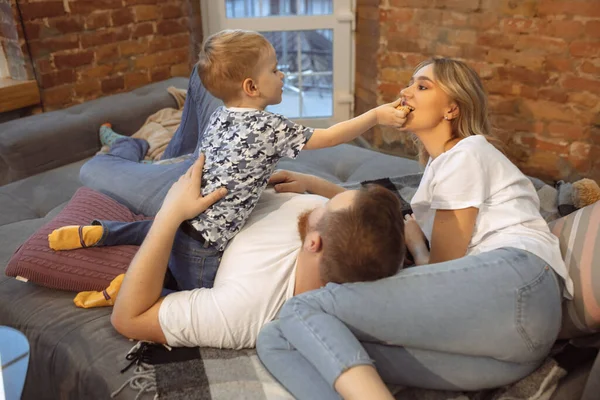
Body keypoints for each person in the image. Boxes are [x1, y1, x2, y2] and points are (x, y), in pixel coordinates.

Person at [255, 57, 574, 400]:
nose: (406, 93)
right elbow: (381, 214)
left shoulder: (467, 153)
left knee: (302, 308)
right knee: (279, 337)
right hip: (507, 347)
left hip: (516, 283)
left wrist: (419, 248)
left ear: (452, 109)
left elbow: (445, 268)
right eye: (409, 84)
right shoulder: (442, 167)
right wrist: (314, 184)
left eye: (422, 86)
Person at [48, 29, 408, 293]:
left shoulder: (220, 115)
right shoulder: (269, 127)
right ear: (252, 87)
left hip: (184, 216)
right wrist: (374, 115)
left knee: (163, 232)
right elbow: (328, 137)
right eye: (275, 70)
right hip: (208, 246)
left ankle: (104, 232)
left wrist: (251, 178)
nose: (283, 76)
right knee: (191, 289)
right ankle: (120, 290)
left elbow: (219, 161)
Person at [107, 154, 406, 347]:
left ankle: (125, 146)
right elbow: (358, 216)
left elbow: (128, 319)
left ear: (314, 243)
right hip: (231, 176)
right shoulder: (356, 246)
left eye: (326, 206)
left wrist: (170, 213)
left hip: (182, 197)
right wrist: (313, 183)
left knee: (100, 167)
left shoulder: (248, 309)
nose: (322, 200)